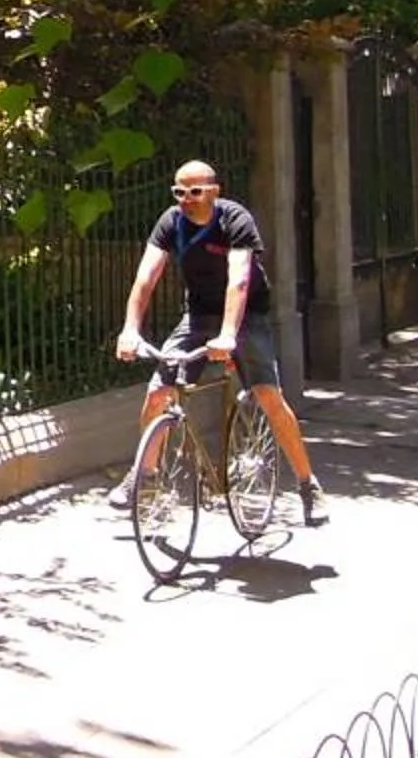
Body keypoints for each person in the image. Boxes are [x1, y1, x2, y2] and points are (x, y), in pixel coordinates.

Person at [107, 159, 329, 526]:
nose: (186, 199)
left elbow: (238, 281)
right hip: (197, 315)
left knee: (268, 396)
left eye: (195, 191)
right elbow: (146, 277)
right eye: (179, 192)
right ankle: (143, 476)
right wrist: (130, 328)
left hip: (247, 315)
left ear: (214, 191)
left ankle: (308, 485)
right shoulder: (171, 222)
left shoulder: (234, 220)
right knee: (158, 393)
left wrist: (228, 334)